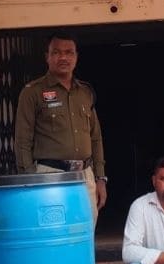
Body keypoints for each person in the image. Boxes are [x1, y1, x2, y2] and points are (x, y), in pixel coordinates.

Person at [14, 33, 107, 220]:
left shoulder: (85, 92)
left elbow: (95, 138)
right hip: (49, 176)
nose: (63, 57)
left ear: (76, 57)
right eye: (56, 52)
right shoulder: (33, 92)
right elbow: (22, 140)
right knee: (53, 229)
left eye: (69, 52)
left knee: (85, 230)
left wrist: (100, 178)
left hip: (85, 175)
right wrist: (30, 179)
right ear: (47, 57)